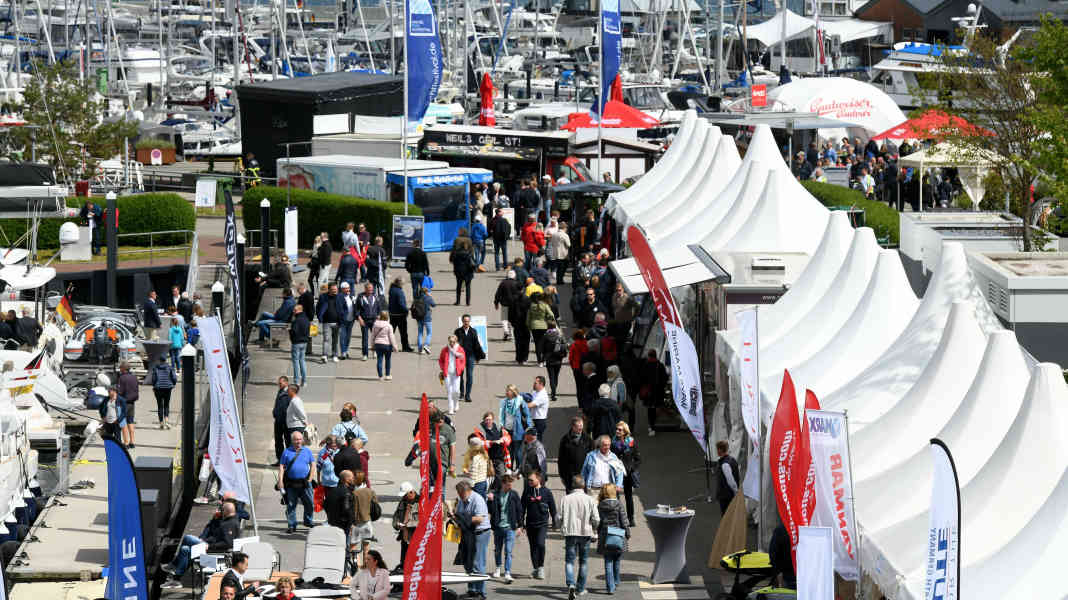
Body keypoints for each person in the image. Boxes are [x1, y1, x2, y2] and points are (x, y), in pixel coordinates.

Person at [161, 501, 242, 588]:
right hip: (210, 547)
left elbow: (228, 543)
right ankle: (176, 580)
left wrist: (209, 546)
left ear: (226, 511)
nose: (220, 511)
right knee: (185, 549)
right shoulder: (225, 521)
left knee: (188, 538)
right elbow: (213, 534)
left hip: (214, 552)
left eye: (222, 510)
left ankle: (173, 565)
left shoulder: (230, 524)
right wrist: (214, 520)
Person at [560, 475, 599, 599]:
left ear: (572, 485)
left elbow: (559, 517)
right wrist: (594, 529)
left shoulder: (565, 499)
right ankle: (581, 588)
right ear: (583, 485)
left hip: (570, 533)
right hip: (585, 533)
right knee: (583, 561)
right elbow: (596, 519)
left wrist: (561, 525)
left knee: (569, 561)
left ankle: (571, 584)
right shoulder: (590, 499)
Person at [454, 480, 491, 599]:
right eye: (458, 493)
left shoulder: (477, 499)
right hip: (468, 533)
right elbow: (459, 513)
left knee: (477, 563)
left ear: (467, 491)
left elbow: (480, 519)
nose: (459, 496)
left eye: (460, 493)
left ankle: (481, 593)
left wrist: (464, 518)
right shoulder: (462, 500)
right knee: (468, 561)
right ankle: (472, 590)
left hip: (480, 533)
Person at [519, 470, 556, 580]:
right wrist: (521, 524)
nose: (529, 481)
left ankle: (541, 567)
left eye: (531, 480)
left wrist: (555, 522)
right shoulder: (527, 491)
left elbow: (553, 508)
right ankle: (535, 568)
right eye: (528, 480)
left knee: (540, 544)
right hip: (530, 524)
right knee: (533, 547)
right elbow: (522, 508)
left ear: (538, 479)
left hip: (542, 524)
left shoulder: (546, 492)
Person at [279, 430, 316, 533]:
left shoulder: (307, 451)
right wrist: (280, 481)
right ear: (292, 440)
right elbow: (281, 466)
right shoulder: (286, 452)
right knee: (291, 505)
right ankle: (292, 525)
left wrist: (310, 479)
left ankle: (308, 521)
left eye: (300, 439)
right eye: (296, 439)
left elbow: (313, 464)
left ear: (302, 440)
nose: (298, 441)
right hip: (291, 483)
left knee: (309, 503)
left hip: (305, 482)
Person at [596, 484, 630, 594]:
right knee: (617, 560)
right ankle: (616, 581)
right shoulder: (619, 504)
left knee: (608, 561)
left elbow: (598, 522)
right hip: (618, 534)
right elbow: (624, 521)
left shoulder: (600, 505)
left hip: (605, 536)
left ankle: (610, 587)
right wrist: (627, 533)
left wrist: (597, 533)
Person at [488, 473, 520, 582]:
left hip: (510, 527)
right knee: (498, 549)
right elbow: (490, 510)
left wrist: (520, 526)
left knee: (508, 551)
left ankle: (507, 572)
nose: (510, 487)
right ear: (503, 484)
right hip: (498, 527)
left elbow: (519, 510)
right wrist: (490, 500)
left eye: (511, 484)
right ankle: (498, 568)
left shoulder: (514, 494)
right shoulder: (495, 494)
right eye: (508, 484)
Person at [611, 423, 641, 526]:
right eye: (616, 429)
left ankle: (631, 518)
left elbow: (638, 459)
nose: (617, 431)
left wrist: (632, 468)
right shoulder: (612, 443)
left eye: (620, 430)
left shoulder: (631, 442)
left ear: (625, 431)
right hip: (617, 473)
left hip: (628, 474)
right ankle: (618, 519)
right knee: (615, 497)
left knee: (629, 497)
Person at [142, 355, 177, 433]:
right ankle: (166, 421)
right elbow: (174, 378)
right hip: (168, 388)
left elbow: (154, 379)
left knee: (160, 405)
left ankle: (161, 423)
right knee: (167, 404)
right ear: (165, 360)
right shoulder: (170, 367)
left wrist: (154, 386)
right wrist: (173, 384)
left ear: (160, 360)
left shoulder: (156, 368)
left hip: (158, 388)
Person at [559, 416, 593, 494]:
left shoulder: (588, 439)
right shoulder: (565, 439)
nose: (581, 428)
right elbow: (561, 459)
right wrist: (562, 476)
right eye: (578, 426)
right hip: (570, 476)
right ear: (573, 427)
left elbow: (592, 457)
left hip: (584, 475)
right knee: (571, 497)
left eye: (582, 426)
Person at [454, 315, 484, 403]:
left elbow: (476, 344)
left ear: (469, 321)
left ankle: (467, 395)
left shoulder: (473, 331)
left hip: (471, 356)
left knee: (469, 376)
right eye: (464, 321)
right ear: (462, 321)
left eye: (467, 321)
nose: (466, 323)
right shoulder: (458, 331)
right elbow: (454, 344)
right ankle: (461, 393)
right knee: (460, 376)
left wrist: (478, 357)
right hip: (460, 357)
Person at [638, 350, 668, 436]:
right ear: (655, 355)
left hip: (648, 391)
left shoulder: (645, 365)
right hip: (657, 391)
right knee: (655, 408)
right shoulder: (660, 365)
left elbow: (641, 378)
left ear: (649, 356)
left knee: (650, 409)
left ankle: (651, 426)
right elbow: (664, 378)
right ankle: (653, 426)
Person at [499, 384, 532, 460]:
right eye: (506, 390)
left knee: (518, 452)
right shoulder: (504, 402)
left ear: (513, 392)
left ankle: (518, 466)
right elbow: (501, 415)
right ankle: (510, 466)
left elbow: (527, 415)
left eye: (508, 391)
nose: (506, 392)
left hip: (517, 430)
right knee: (508, 451)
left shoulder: (520, 401)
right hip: (507, 430)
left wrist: (529, 427)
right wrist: (502, 426)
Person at [351, 470, 377, 565]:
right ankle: (366, 565)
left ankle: (356, 564)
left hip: (357, 524)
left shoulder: (354, 493)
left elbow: (353, 510)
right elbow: (375, 506)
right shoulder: (370, 491)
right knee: (366, 546)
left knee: (353, 545)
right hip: (368, 522)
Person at [392, 481, 419, 571]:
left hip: (415, 535)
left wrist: (408, 525)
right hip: (404, 534)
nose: (404, 496)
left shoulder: (420, 502)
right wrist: (396, 524)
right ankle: (404, 566)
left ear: (411, 492)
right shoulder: (403, 501)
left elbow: (422, 520)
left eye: (406, 494)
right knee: (404, 552)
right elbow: (396, 515)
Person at [317, 283, 346, 363]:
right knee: (326, 339)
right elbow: (318, 307)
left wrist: (343, 317)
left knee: (335, 340)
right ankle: (324, 355)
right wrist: (320, 317)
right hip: (326, 322)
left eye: (336, 290)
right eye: (333, 290)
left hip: (337, 322)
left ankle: (334, 355)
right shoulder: (323, 297)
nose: (335, 291)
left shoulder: (340, 296)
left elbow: (345, 308)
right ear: (329, 290)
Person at [538, 320, 567, 401]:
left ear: (548, 327)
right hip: (558, 358)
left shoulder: (545, 336)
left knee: (551, 377)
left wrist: (542, 359)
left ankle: (553, 392)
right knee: (556, 376)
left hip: (549, 359)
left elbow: (541, 348)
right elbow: (564, 346)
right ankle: (554, 391)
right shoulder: (560, 335)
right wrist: (563, 355)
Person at [438, 335, 466, 415]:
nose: (452, 343)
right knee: (449, 391)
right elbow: (440, 360)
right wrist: (443, 368)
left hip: (456, 373)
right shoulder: (445, 350)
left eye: (453, 342)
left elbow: (463, 361)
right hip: (448, 374)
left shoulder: (460, 349)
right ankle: (451, 408)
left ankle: (456, 403)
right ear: (448, 341)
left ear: (456, 341)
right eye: (450, 341)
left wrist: (461, 368)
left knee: (456, 391)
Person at [355, 282, 381, 361]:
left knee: (375, 337)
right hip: (364, 320)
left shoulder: (375, 296)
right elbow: (357, 309)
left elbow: (379, 308)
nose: (370, 290)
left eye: (371, 288)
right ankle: (365, 354)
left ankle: (375, 351)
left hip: (374, 320)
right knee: (365, 338)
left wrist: (378, 316)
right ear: (365, 289)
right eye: (369, 288)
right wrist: (359, 318)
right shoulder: (360, 297)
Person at [450, 228, 476, 306]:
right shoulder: (469, 240)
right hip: (468, 270)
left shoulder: (456, 241)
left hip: (459, 270)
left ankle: (458, 301)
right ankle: (468, 302)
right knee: (468, 286)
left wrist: (452, 260)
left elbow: (453, 253)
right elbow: (472, 253)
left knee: (458, 285)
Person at [526, 292, 553, 366]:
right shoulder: (544, 305)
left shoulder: (531, 306)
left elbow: (528, 318)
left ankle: (539, 361)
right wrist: (548, 320)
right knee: (545, 343)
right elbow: (551, 314)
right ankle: (544, 359)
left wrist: (529, 326)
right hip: (544, 326)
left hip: (534, 326)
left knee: (537, 344)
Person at [388, 278, 414, 352]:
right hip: (400, 315)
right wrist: (407, 310)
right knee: (403, 332)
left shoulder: (391, 289)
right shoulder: (399, 292)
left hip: (392, 314)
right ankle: (405, 347)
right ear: (400, 284)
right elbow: (401, 304)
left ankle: (388, 346)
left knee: (391, 331)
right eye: (403, 283)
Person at [494, 270, 521, 341]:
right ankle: (512, 335)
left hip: (504, 303)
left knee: (504, 318)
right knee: (513, 320)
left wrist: (496, 303)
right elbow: (520, 294)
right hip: (514, 304)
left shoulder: (503, 283)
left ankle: (506, 330)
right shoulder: (517, 283)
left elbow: (498, 294)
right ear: (514, 276)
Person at [715, 440, 740, 515]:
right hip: (729, 494)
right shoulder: (732, 460)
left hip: (726, 496)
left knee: (726, 515)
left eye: (717, 449)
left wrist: (736, 492)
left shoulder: (724, 464)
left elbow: (731, 481)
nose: (716, 451)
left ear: (720, 450)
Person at [371, 310, 396, 380]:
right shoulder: (389, 326)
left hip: (378, 344)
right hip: (387, 345)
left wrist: (372, 345)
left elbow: (372, 336)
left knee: (379, 360)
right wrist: (395, 346)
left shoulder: (375, 325)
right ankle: (387, 375)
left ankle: (380, 376)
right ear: (387, 317)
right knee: (388, 360)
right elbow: (391, 337)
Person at [271, 376, 291, 465]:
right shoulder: (280, 391)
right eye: (278, 383)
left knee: (288, 441)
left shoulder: (289, 392)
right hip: (278, 421)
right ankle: (280, 460)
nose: (278, 384)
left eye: (280, 383)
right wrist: (275, 412)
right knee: (278, 441)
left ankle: (289, 460)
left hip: (286, 422)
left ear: (286, 382)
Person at [289, 304, 310, 386]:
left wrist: (290, 332)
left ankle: (296, 381)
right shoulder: (306, 319)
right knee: (302, 361)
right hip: (304, 342)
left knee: (296, 362)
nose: (293, 311)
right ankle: (304, 381)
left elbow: (294, 331)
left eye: (294, 310)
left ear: (299, 310)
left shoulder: (296, 320)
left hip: (296, 342)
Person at [412, 286, 435, 354]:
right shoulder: (428, 298)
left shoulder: (416, 298)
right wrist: (430, 297)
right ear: (426, 292)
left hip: (419, 318)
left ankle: (420, 349)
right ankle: (426, 345)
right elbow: (433, 305)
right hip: (427, 318)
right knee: (429, 332)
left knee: (420, 333)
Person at [337, 282, 357, 359]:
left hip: (351, 320)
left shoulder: (352, 296)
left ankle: (346, 350)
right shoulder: (339, 297)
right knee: (342, 336)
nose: (348, 290)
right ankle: (343, 352)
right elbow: (339, 309)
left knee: (348, 336)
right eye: (346, 288)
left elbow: (355, 307)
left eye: (348, 288)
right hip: (343, 320)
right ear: (342, 289)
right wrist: (341, 317)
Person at [527, 375, 550, 440]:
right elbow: (530, 399)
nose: (533, 384)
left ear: (541, 384)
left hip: (539, 422)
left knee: (536, 441)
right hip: (534, 420)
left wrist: (518, 403)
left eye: (535, 383)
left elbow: (530, 405)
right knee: (531, 439)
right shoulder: (535, 391)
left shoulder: (542, 395)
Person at [548, 220, 571, 285]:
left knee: (558, 268)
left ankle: (558, 280)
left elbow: (552, 243)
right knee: (563, 268)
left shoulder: (554, 235)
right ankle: (560, 280)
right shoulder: (565, 235)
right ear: (564, 228)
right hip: (563, 254)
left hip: (555, 254)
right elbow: (568, 245)